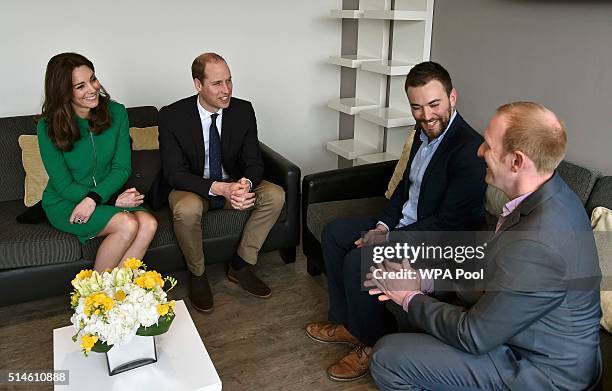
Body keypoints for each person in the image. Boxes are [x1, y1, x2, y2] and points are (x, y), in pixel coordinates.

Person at [367, 102, 601, 390]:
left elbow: (475, 335)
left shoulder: (538, 242)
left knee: (387, 357)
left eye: (488, 146)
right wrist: (424, 282)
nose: (479, 151)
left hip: (540, 372)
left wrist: (409, 297)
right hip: (521, 336)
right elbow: (498, 277)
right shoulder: (550, 194)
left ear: (517, 162)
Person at [305, 62, 487, 381]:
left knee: (359, 260)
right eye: (417, 107)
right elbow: (405, 187)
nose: (427, 115)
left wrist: (388, 241)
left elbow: (448, 225)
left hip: (440, 243)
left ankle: (371, 344)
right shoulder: (422, 132)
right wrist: (382, 228)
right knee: (335, 233)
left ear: (452, 97)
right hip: (403, 226)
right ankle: (346, 322)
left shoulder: (468, 149)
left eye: (434, 104)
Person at [156, 52, 285, 313]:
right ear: (198, 84)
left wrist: (245, 184)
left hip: (232, 183)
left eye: (229, 81)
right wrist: (219, 188)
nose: (226, 90)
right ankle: (198, 274)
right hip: (191, 187)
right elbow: (174, 173)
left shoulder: (243, 110)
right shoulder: (172, 115)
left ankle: (241, 264)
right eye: (217, 83)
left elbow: (253, 160)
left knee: (275, 194)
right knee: (186, 209)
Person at [37, 52, 158, 272]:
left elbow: (122, 168)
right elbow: (63, 185)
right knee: (127, 224)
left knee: (149, 224)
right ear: (63, 92)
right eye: (80, 86)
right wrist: (109, 201)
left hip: (106, 194)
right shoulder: (47, 127)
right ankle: (95, 297)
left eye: (92, 79)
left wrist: (98, 198)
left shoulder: (117, 113)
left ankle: (118, 294)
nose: (92, 89)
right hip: (66, 202)